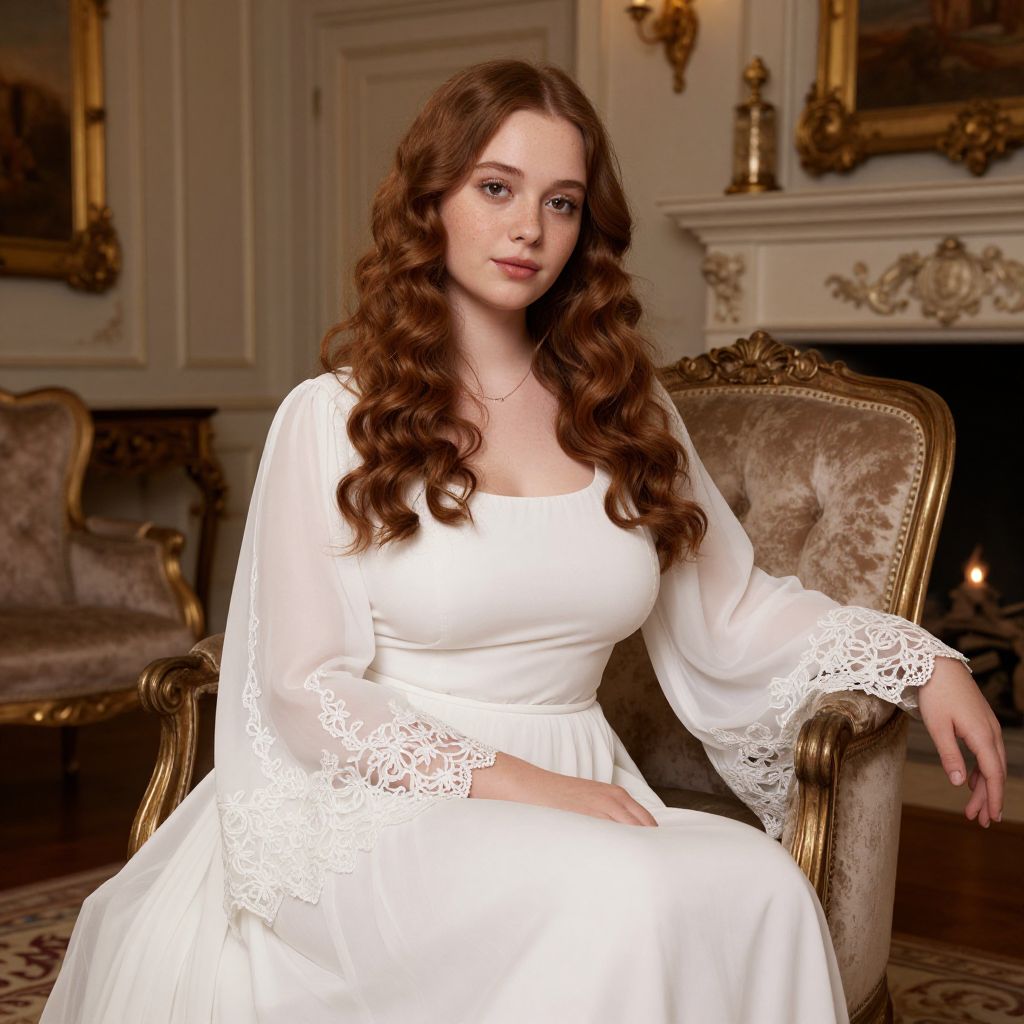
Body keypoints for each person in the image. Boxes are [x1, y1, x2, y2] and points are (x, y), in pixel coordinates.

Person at [41, 57, 1005, 1024]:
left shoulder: (628, 413)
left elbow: (734, 607)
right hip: (377, 803)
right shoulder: (330, 417)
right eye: (496, 188)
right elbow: (304, 692)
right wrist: (521, 785)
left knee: (762, 887)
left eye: (563, 203)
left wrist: (923, 663)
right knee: (624, 898)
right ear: (433, 201)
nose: (528, 229)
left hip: (582, 778)